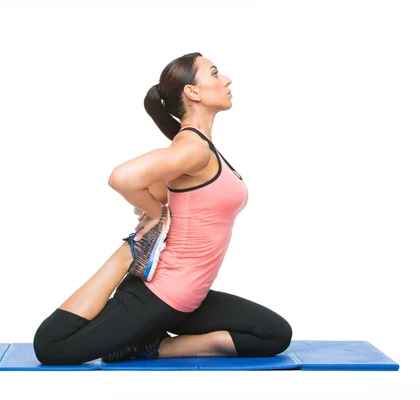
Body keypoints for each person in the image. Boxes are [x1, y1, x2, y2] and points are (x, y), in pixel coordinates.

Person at [33, 52, 293, 365]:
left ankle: (152, 347)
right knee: (51, 347)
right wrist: (154, 216)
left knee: (274, 333)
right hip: (158, 295)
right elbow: (122, 177)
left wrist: (155, 206)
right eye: (214, 73)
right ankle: (128, 255)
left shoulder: (199, 147)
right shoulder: (192, 148)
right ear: (193, 92)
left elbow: (158, 190)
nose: (226, 79)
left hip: (188, 298)